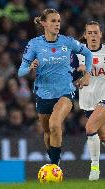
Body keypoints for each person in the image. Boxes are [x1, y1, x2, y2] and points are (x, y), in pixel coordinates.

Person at [17, 9, 93, 165]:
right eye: (53, 21)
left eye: (58, 21)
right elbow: (20, 72)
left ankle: (54, 167)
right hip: (43, 94)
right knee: (47, 131)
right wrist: (30, 66)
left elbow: (88, 54)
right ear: (44, 23)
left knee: (54, 124)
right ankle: (54, 161)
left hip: (65, 92)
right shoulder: (34, 44)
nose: (57, 24)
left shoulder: (67, 41)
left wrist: (87, 74)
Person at [72, 21, 105, 181]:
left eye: (96, 32)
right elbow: (72, 76)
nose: (93, 36)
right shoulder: (79, 54)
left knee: (90, 128)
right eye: (90, 33)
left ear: (101, 34)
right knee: (104, 136)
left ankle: (94, 167)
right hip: (88, 99)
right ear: (85, 35)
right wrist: (78, 72)